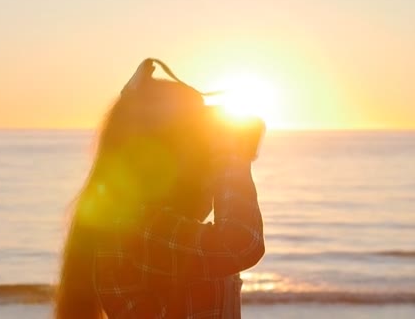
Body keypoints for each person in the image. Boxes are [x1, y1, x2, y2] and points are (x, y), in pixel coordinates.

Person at [55, 59, 265, 318]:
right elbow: (241, 242)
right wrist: (231, 153)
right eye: (196, 136)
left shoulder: (150, 222)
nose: (206, 149)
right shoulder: (137, 229)